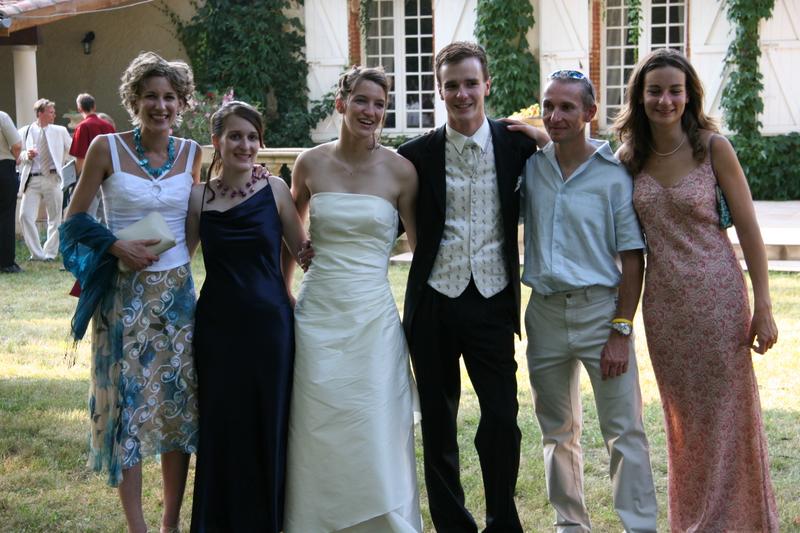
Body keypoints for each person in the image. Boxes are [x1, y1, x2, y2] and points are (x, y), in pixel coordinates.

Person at [613, 48, 779, 532]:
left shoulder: (713, 148)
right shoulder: (628, 159)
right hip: (664, 307)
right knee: (684, 421)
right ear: (640, 97)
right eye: (655, 91)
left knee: (730, 413)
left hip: (719, 297)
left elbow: (749, 230)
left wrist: (764, 305)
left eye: (675, 91)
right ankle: (696, 521)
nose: (665, 100)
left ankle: (738, 521)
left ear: (689, 96)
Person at [397, 41, 544, 532]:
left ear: (487, 85)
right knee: (438, 423)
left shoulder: (518, 145)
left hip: (492, 302)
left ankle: (503, 521)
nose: (462, 93)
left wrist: (543, 135)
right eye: (452, 85)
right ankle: (452, 525)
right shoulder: (414, 155)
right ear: (439, 90)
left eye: (470, 83)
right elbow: (375, 203)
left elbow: (569, 157)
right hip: (433, 304)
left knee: (502, 417)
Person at [60, 51, 202, 533]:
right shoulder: (107, 148)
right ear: (134, 100)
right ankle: (138, 527)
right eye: (150, 96)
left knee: (177, 409)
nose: (160, 106)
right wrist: (116, 245)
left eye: (170, 97)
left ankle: (170, 524)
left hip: (177, 299)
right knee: (130, 413)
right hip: (124, 298)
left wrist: (179, 260)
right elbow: (74, 221)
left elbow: (194, 218)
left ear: (181, 102)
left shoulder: (192, 152)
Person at [514, 70, 658, 533]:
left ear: (590, 113)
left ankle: (640, 527)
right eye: (548, 106)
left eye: (567, 107)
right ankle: (570, 526)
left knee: (624, 430)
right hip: (544, 314)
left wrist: (621, 329)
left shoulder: (614, 177)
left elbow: (633, 259)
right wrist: (535, 136)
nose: (554, 116)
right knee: (556, 432)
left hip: (601, 313)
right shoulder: (532, 169)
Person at [282, 65, 422, 532]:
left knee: (374, 417)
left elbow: (420, 252)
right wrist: (284, 290)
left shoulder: (401, 171)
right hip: (319, 312)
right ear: (341, 103)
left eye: (380, 104)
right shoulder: (309, 163)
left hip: (373, 317)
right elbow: (289, 228)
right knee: (317, 419)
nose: (370, 111)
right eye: (362, 100)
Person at [186, 101, 311, 533]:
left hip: (270, 327)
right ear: (217, 142)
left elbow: (303, 251)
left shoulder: (275, 189)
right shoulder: (198, 197)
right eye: (235, 136)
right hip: (217, 329)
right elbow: (179, 260)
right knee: (220, 423)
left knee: (268, 420)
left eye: (253, 137)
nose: (245, 145)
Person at [18, 99, 73, 261]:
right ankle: (37, 254)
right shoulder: (25, 131)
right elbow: (17, 153)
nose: (54, 115)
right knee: (25, 216)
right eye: (50, 112)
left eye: (54, 112)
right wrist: (26, 155)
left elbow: (72, 150)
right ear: (40, 113)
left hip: (53, 178)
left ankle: (50, 253)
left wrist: (68, 166)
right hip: (32, 180)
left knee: (55, 218)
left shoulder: (60, 131)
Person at [69, 93, 116, 219]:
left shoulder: (82, 127)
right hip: (109, 177)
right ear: (94, 106)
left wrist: (78, 180)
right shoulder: (108, 126)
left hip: (90, 179)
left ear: (79, 108)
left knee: (86, 216)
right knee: (106, 218)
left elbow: (80, 158)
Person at [0, 109, 22, 273]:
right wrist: (16, 157)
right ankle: (6, 262)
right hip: (3, 168)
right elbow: (17, 145)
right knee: (6, 215)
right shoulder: (2, 116)